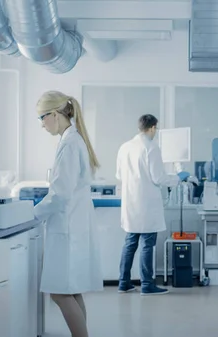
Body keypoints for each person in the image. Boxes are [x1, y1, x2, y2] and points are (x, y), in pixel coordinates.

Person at [34, 91, 103, 337]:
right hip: (73, 226)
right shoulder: (73, 140)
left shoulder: (70, 143)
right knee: (71, 291)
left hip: (68, 228)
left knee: (60, 293)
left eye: (42, 117)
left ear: (55, 114)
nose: (41, 124)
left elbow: (60, 194)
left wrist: (34, 213)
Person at [116, 114, 191, 295]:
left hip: (130, 204)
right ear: (152, 128)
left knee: (130, 243)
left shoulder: (124, 147)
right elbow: (159, 178)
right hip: (146, 205)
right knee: (147, 244)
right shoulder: (151, 147)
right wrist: (179, 178)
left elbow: (119, 175)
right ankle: (147, 285)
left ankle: (123, 283)